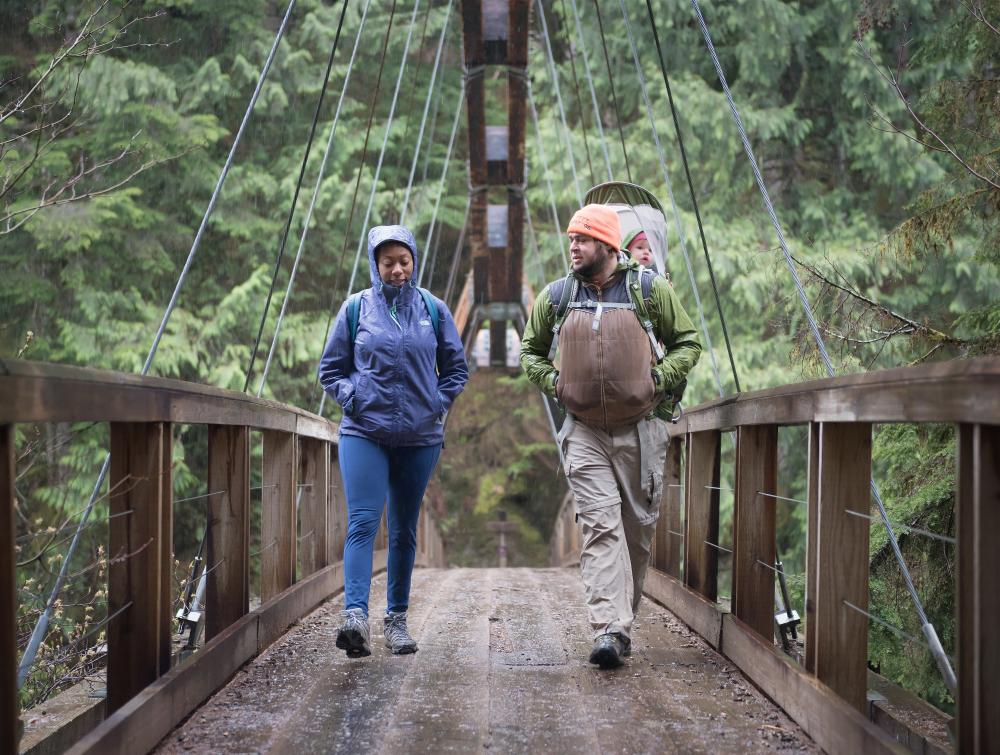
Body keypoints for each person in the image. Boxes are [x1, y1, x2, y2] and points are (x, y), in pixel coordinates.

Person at [520, 204, 701, 669]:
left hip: (641, 428)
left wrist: (659, 381)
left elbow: (688, 343)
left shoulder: (648, 291)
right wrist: (554, 384)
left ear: (606, 244)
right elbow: (530, 351)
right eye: (570, 239)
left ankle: (622, 622)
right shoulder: (557, 296)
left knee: (637, 536)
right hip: (584, 432)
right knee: (602, 527)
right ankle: (608, 628)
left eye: (581, 239)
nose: (572, 247)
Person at [319, 225, 469, 658]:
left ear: (414, 262)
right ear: (375, 265)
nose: (398, 270)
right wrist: (354, 399)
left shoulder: (434, 309)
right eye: (389, 263)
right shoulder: (355, 309)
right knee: (364, 522)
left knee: (403, 529)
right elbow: (331, 369)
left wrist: (435, 405)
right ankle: (355, 618)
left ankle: (396, 621)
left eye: (404, 262)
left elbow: (456, 370)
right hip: (364, 432)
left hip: (419, 438)